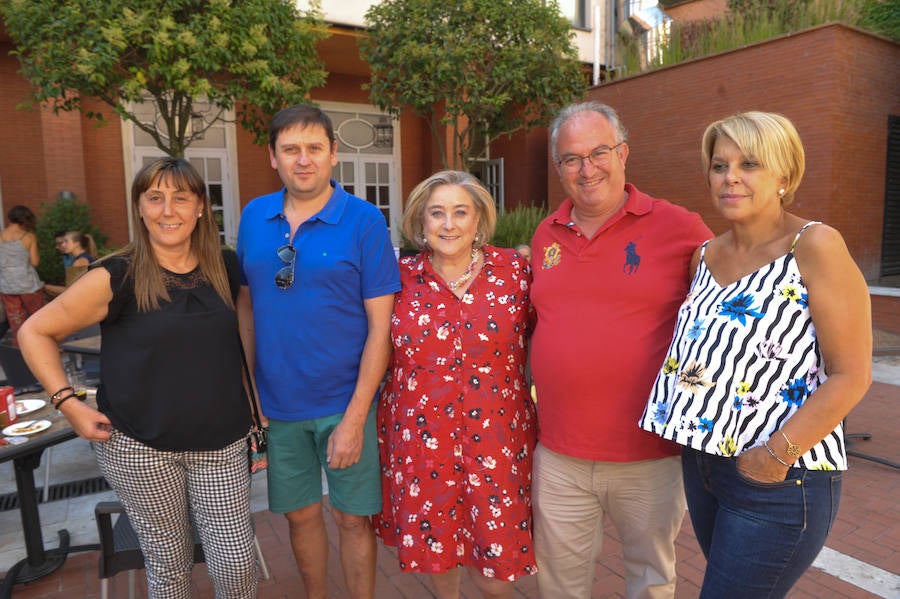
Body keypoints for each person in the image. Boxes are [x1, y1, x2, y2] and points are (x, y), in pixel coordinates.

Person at [639, 111, 872, 598]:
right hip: (704, 466)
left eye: (750, 164)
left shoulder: (814, 245)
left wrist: (773, 456)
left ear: (784, 175)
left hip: (780, 478)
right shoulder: (703, 256)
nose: (730, 178)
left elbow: (852, 374)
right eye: (719, 165)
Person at [19, 158, 258, 598]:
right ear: (140, 208)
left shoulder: (225, 265)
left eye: (180, 198)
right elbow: (34, 331)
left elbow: (242, 340)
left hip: (222, 441)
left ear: (201, 207)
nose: (168, 210)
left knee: (237, 559)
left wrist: (255, 415)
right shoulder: (117, 275)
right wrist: (68, 403)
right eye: (155, 198)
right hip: (140, 448)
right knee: (168, 563)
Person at [528, 101, 712, 599]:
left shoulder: (680, 227)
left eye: (599, 152)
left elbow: (727, 314)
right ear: (558, 166)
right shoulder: (546, 233)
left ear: (623, 153)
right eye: (571, 158)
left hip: (649, 455)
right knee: (559, 586)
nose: (587, 169)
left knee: (650, 580)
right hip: (560, 455)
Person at [236, 104, 400, 599]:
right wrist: (251, 394)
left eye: (313, 148)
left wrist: (355, 417)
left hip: (346, 402)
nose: (302, 160)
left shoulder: (364, 221)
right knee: (300, 515)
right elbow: (246, 309)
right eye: (290, 150)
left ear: (333, 153)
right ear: (272, 157)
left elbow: (381, 327)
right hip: (279, 407)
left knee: (353, 519)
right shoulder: (252, 217)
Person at [376, 171, 537, 599]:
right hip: (423, 441)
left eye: (460, 212)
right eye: (437, 213)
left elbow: (551, 337)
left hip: (498, 438)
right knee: (439, 552)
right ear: (420, 223)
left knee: (497, 570)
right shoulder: (396, 279)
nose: (449, 224)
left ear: (480, 221)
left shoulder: (516, 273)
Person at [0, 205, 45, 346]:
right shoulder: (29, 237)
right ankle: (42, 346)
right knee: (39, 317)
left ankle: (20, 352)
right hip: (28, 285)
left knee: (16, 322)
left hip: (7, 286)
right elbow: (35, 262)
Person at [45, 230, 98, 297]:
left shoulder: (80, 261)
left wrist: (45, 287)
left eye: (66, 241)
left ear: (77, 243)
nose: (63, 245)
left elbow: (71, 291)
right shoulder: (83, 258)